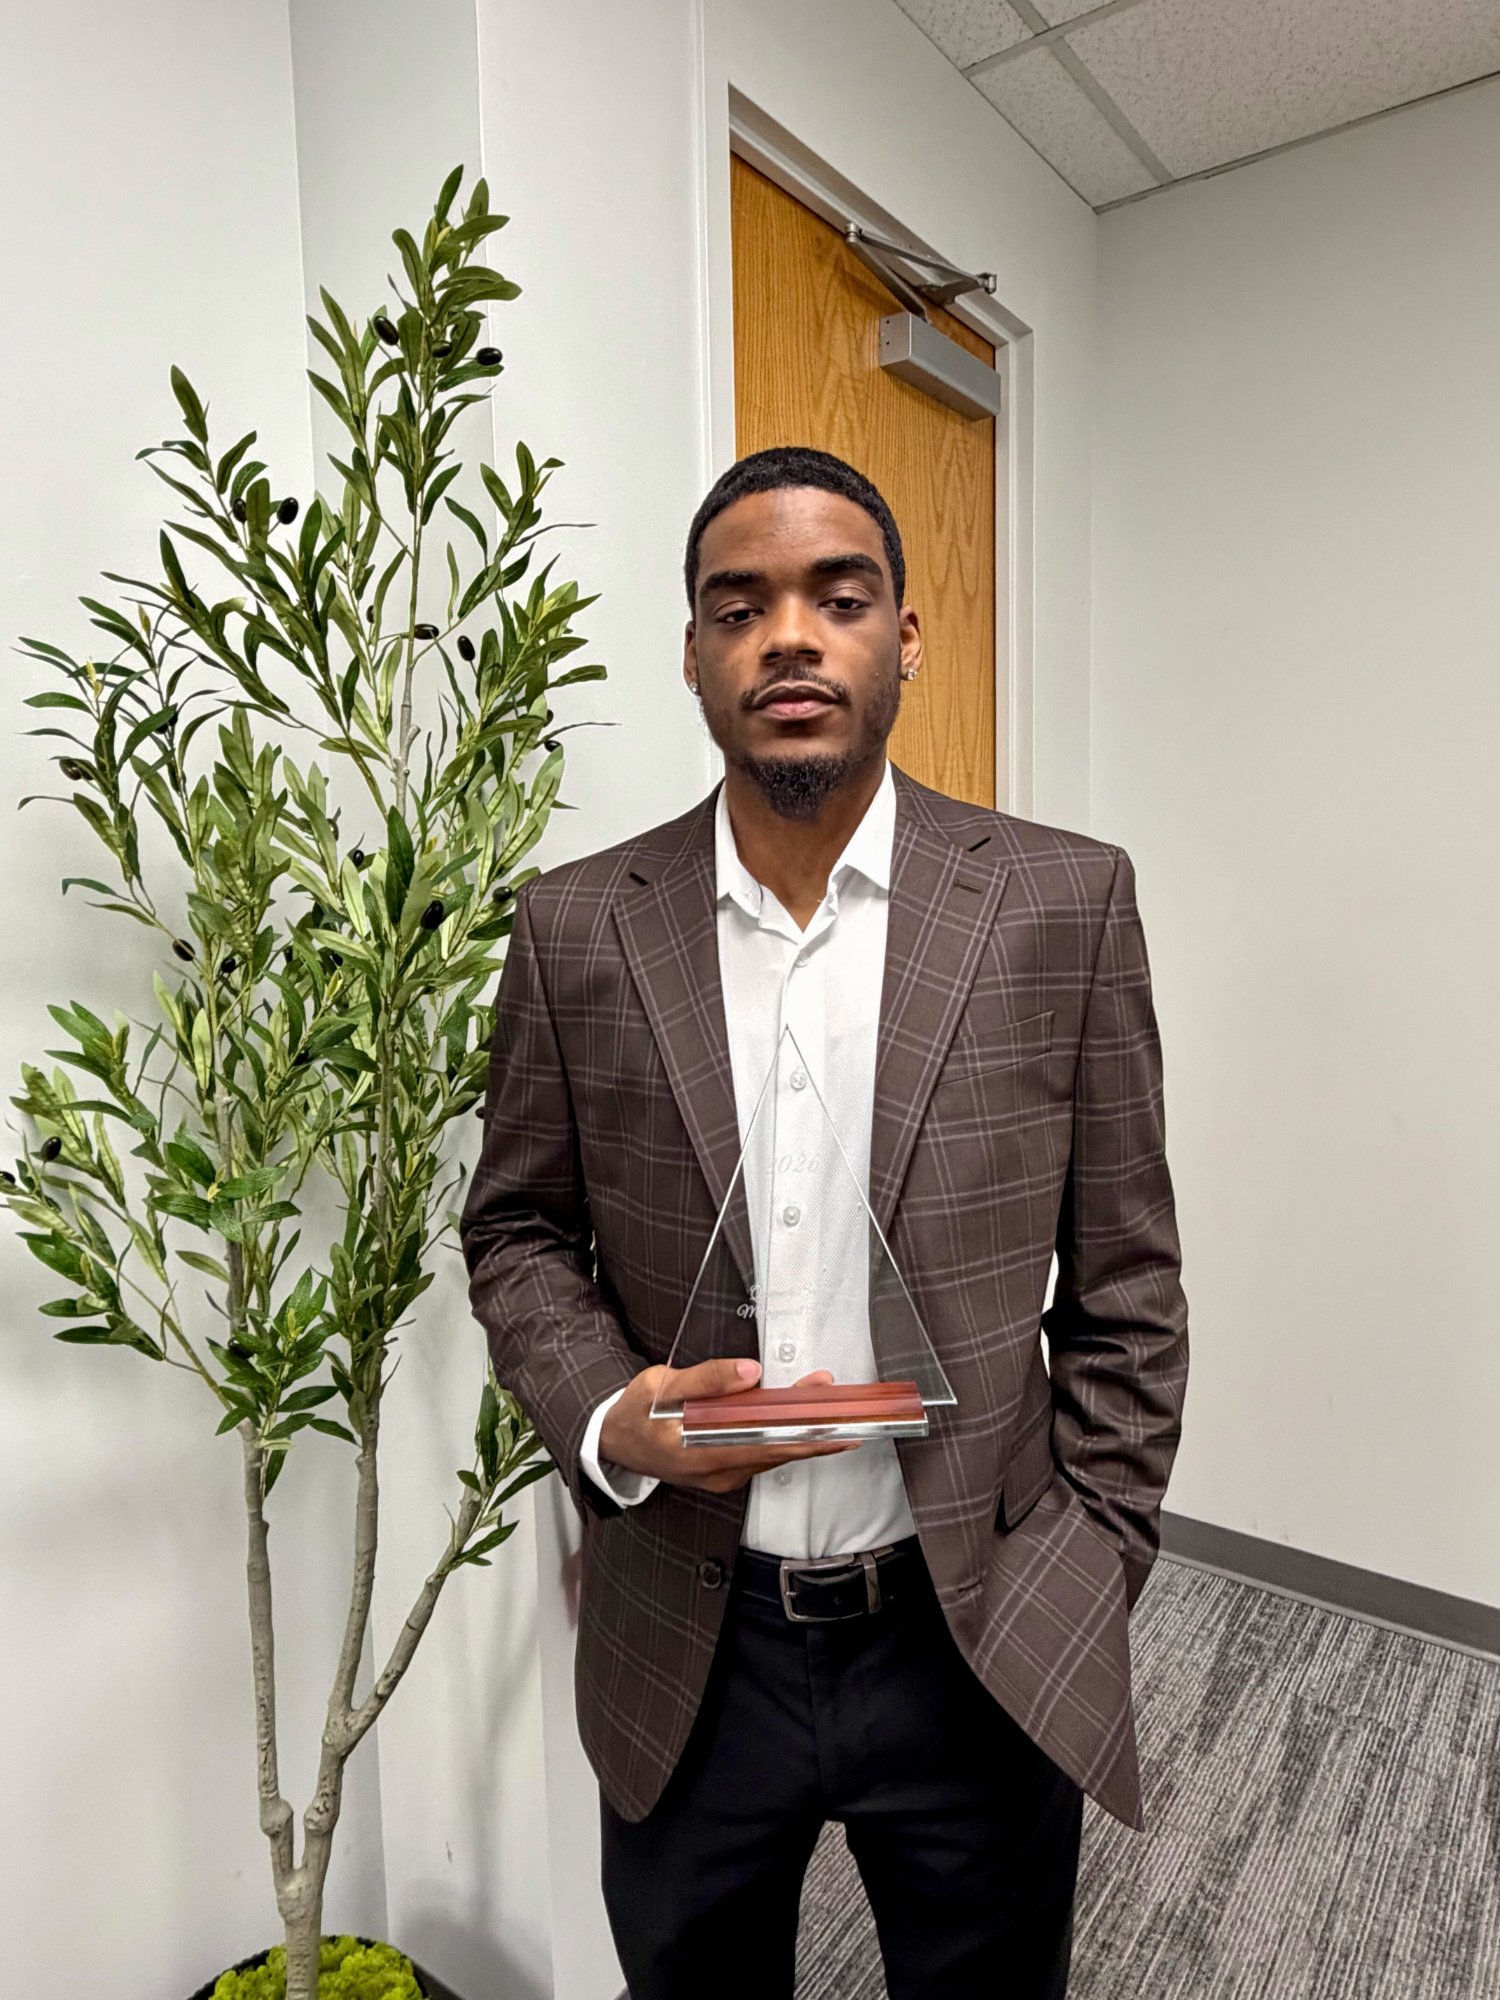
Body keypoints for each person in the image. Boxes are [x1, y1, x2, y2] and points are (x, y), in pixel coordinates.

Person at [460, 445, 1189, 2000]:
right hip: (688, 1634)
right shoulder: (580, 923)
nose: (789, 635)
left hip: (975, 1629)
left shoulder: (1061, 906)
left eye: (837, 597)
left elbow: (1128, 1276)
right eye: (741, 606)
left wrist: (1094, 1557)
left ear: (905, 637)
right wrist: (605, 1414)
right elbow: (516, 1229)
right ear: (694, 656)